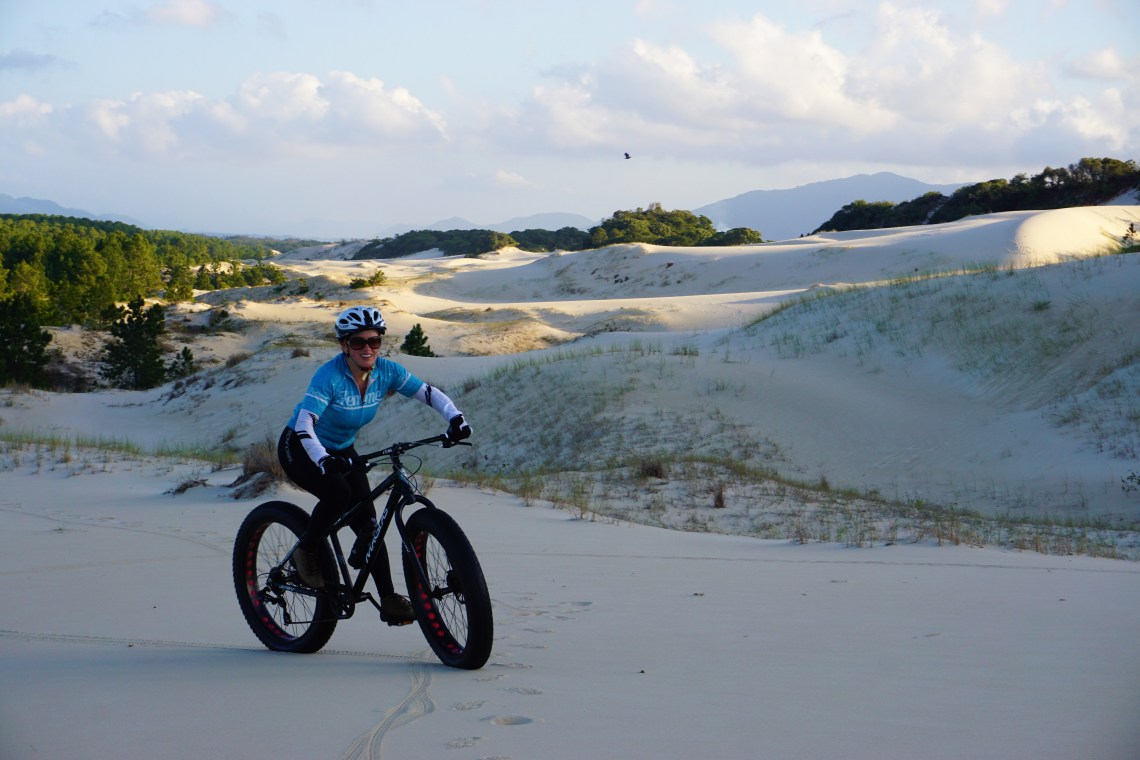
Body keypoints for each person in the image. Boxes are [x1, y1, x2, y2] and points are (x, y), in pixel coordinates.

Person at [277, 305, 471, 625]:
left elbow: (427, 393)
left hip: (342, 449)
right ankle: (306, 551)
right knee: (338, 494)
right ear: (344, 345)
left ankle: (389, 599)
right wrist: (322, 458)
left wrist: (455, 418)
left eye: (374, 340)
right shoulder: (329, 376)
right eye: (358, 342)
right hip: (301, 447)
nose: (367, 348)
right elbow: (304, 423)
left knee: (370, 524)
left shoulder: (386, 371)